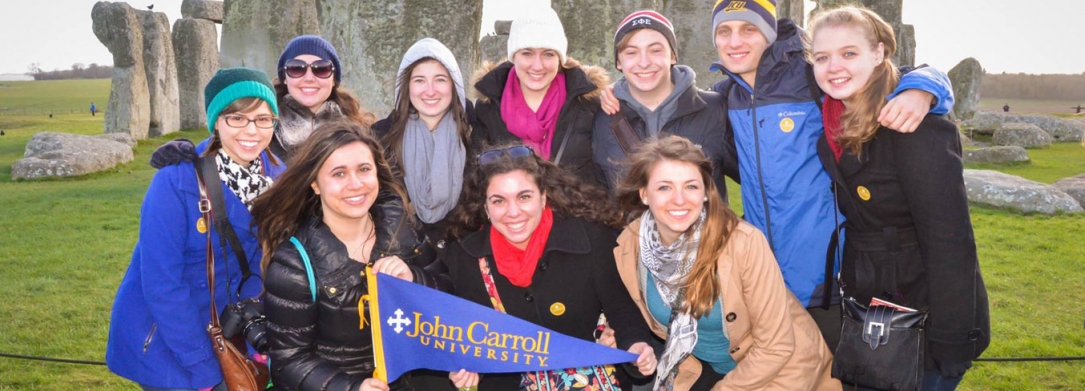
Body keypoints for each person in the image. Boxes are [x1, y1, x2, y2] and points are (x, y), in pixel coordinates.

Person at [706, 0, 955, 347]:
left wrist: (924, 89)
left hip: (830, 278)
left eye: (749, 29)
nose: (735, 41)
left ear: (770, 32)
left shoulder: (812, 76)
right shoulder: (724, 97)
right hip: (763, 279)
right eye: (724, 31)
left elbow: (892, 75)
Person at [807, 7, 989, 390]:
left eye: (849, 53)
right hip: (870, 308)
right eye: (822, 57)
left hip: (923, 316)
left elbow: (951, 242)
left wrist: (952, 338)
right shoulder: (834, 117)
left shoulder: (916, 127)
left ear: (879, 53)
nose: (833, 66)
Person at [106, 67, 286, 391]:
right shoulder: (176, 181)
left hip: (236, 335)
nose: (252, 130)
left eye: (262, 119)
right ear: (216, 121)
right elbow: (163, 284)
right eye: (236, 118)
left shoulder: (279, 177)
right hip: (169, 342)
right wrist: (204, 368)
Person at [612, 135, 838, 391]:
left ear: (706, 193)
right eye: (664, 187)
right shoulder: (630, 246)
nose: (679, 199)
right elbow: (628, 315)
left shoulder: (743, 242)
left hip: (783, 372)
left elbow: (776, 347)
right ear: (644, 194)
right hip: (703, 370)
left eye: (691, 187)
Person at [441, 144, 658, 391]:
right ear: (486, 208)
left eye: (524, 197)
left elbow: (621, 306)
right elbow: (472, 337)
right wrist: (469, 367)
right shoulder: (468, 258)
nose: (513, 212)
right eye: (499, 201)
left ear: (543, 197)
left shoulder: (590, 239)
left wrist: (635, 346)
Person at [251, 120, 447, 391]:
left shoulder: (403, 230)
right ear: (315, 184)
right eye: (339, 174)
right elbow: (289, 361)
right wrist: (351, 388)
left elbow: (448, 299)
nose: (355, 184)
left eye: (364, 169)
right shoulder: (294, 264)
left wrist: (414, 277)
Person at [150, 35, 376, 167]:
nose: (309, 77)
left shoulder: (358, 130)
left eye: (321, 69)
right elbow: (225, 143)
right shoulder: (262, 124)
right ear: (285, 77)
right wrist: (185, 153)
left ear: (334, 78)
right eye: (296, 68)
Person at [593, 10, 738, 198]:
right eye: (631, 52)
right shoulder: (601, 115)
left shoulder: (714, 109)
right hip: (630, 228)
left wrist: (738, 227)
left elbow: (762, 180)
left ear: (673, 56)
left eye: (655, 50)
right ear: (619, 62)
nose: (644, 62)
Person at [471, 4, 608, 188]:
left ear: (560, 58)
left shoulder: (586, 103)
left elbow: (602, 175)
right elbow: (476, 178)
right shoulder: (488, 106)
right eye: (527, 53)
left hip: (575, 213)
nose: (537, 66)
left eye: (548, 54)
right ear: (514, 56)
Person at [373, 37, 474, 250]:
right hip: (406, 256)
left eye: (440, 79)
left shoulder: (477, 133)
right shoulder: (379, 138)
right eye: (419, 80)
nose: (430, 91)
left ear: (454, 85)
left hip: (465, 255)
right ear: (406, 86)